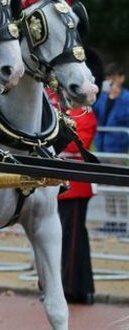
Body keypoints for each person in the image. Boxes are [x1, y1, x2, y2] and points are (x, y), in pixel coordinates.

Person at [52, 90, 98, 304]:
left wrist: (54, 138)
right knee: (64, 239)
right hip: (59, 186)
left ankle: (72, 288)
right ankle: (75, 287)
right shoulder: (60, 112)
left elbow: (77, 145)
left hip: (76, 187)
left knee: (72, 240)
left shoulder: (84, 114)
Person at [94, 62, 129, 236]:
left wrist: (116, 98)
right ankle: (111, 220)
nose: (110, 81)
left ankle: (122, 222)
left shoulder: (126, 98)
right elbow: (95, 112)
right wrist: (107, 97)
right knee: (106, 186)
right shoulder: (102, 97)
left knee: (119, 187)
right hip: (102, 147)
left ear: (121, 78)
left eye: (113, 78)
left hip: (118, 149)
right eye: (108, 78)